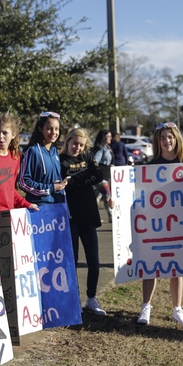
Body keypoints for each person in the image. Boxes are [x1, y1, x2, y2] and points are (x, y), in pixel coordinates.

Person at [138, 122, 183, 327]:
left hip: (180, 223)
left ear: (177, 139)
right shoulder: (150, 166)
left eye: (170, 137)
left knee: (176, 267)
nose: (166, 141)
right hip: (155, 223)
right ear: (158, 141)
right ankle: (146, 307)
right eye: (162, 138)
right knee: (151, 265)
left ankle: (177, 309)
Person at [61, 127, 114, 316]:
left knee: (94, 261)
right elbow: (62, 185)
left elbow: (98, 175)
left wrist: (74, 181)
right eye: (75, 143)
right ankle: (73, 299)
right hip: (70, 217)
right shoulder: (60, 161)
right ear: (68, 141)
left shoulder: (88, 157)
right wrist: (83, 179)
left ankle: (91, 298)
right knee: (72, 261)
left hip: (89, 215)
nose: (77, 147)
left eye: (81, 145)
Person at [18, 112, 69, 205]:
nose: (54, 132)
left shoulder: (54, 151)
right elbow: (24, 183)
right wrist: (51, 188)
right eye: (49, 129)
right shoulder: (33, 151)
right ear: (40, 129)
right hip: (40, 207)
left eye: (56, 129)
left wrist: (61, 184)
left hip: (58, 205)